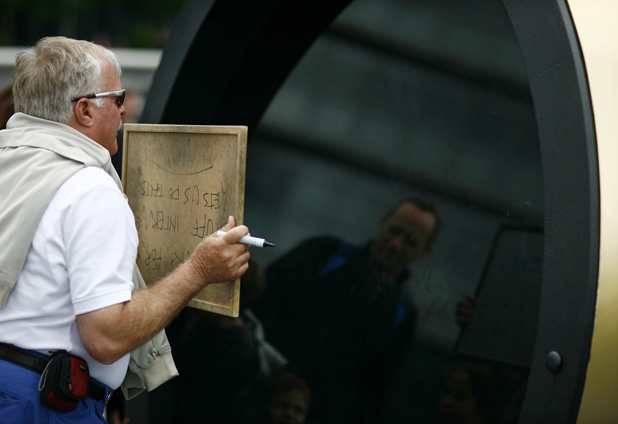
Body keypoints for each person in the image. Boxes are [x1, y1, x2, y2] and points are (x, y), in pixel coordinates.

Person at [0, 36, 251, 423]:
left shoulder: (9, 162)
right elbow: (106, 337)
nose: (124, 109)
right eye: (117, 98)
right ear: (85, 110)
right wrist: (200, 270)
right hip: (42, 404)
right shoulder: (90, 189)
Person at [254, 197, 440, 423]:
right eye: (394, 231)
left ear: (425, 251)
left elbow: (375, 391)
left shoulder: (403, 314)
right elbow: (258, 301)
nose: (395, 244)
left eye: (410, 241)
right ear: (381, 223)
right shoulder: (324, 254)